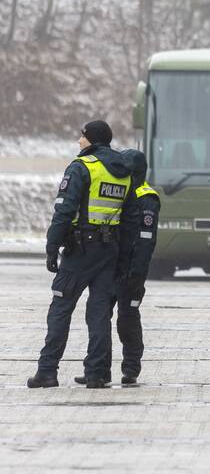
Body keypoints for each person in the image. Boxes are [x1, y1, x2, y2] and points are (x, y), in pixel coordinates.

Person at [28, 121, 135, 389]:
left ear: (93, 140)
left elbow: (64, 211)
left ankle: (47, 371)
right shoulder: (123, 173)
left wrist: (52, 247)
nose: (79, 141)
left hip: (80, 250)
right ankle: (97, 373)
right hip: (109, 250)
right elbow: (129, 220)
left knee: (61, 308)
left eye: (82, 136)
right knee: (99, 313)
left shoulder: (82, 168)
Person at [108, 149, 159, 385]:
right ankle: (97, 368)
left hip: (131, 271)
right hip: (110, 267)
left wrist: (137, 274)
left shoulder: (146, 197)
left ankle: (131, 368)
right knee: (98, 317)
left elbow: (146, 241)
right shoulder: (122, 191)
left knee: (127, 320)